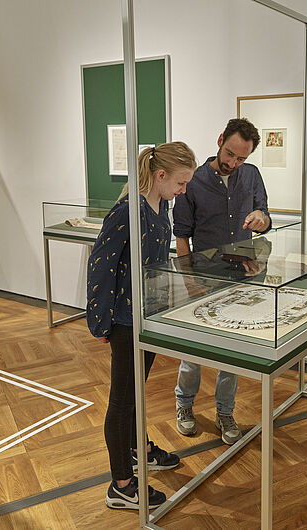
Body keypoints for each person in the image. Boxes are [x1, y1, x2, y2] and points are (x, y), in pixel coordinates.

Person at [86, 142, 197, 510]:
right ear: (160, 175)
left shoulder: (160, 206)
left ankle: (137, 449)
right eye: (180, 183)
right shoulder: (127, 211)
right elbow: (101, 265)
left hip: (147, 315)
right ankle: (120, 485)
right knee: (121, 401)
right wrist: (99, 321)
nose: (183, 191)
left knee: (136, 392)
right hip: (124, 320)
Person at [172, 118, 272, 445]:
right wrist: (187, 281)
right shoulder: (194, 181)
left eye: (241, 158)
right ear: (219, 141)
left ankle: (225, 411)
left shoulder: (252, 175)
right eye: (230, 153)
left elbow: (265, 218)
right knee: (193, 349)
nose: (233, 162)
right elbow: (182, 236)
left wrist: (262, 220)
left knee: (231, 350)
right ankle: (184, 406)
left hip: (240, 277)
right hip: (202, 276)